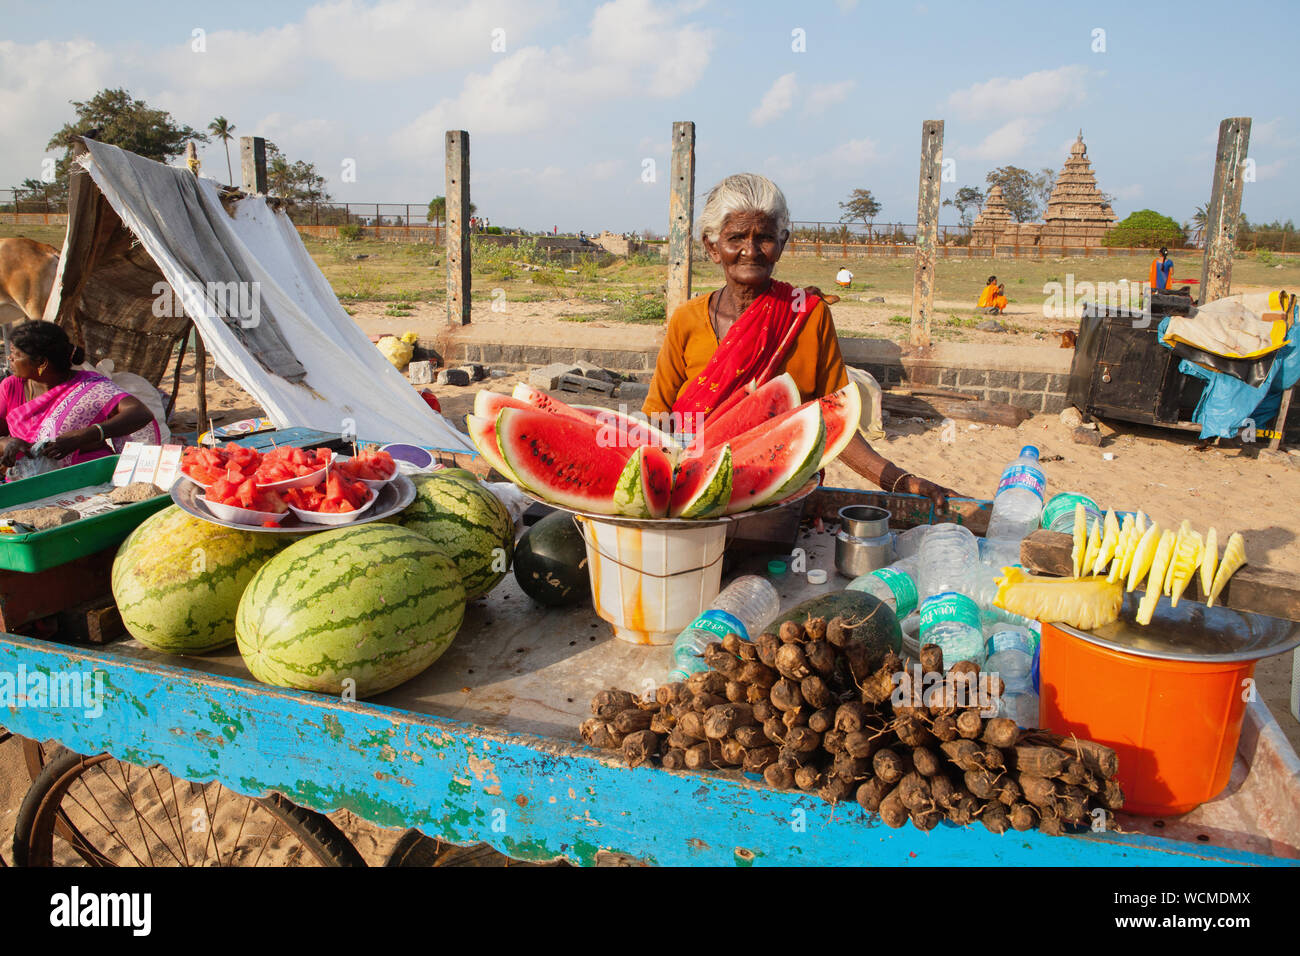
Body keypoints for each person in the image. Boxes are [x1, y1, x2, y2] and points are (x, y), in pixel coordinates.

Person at [643, 173, 954, 509]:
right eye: (736, 237)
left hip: (778, 498)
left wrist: (898, 480)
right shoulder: (686, 320)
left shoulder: (808, 317)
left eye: (764, 237)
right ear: (712, 247)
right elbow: (657, 421)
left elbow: (834, 420)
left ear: (783, 242)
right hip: (689, 498)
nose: (750, 250)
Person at [0, 321, 160, 480]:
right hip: (26, 481)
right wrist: (6, 443)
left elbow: (140, 413)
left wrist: (80, 437)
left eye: (16, 354)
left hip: (87, 477)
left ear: (42, 362)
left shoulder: (91, 386)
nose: (10, 358)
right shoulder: (11, 387)